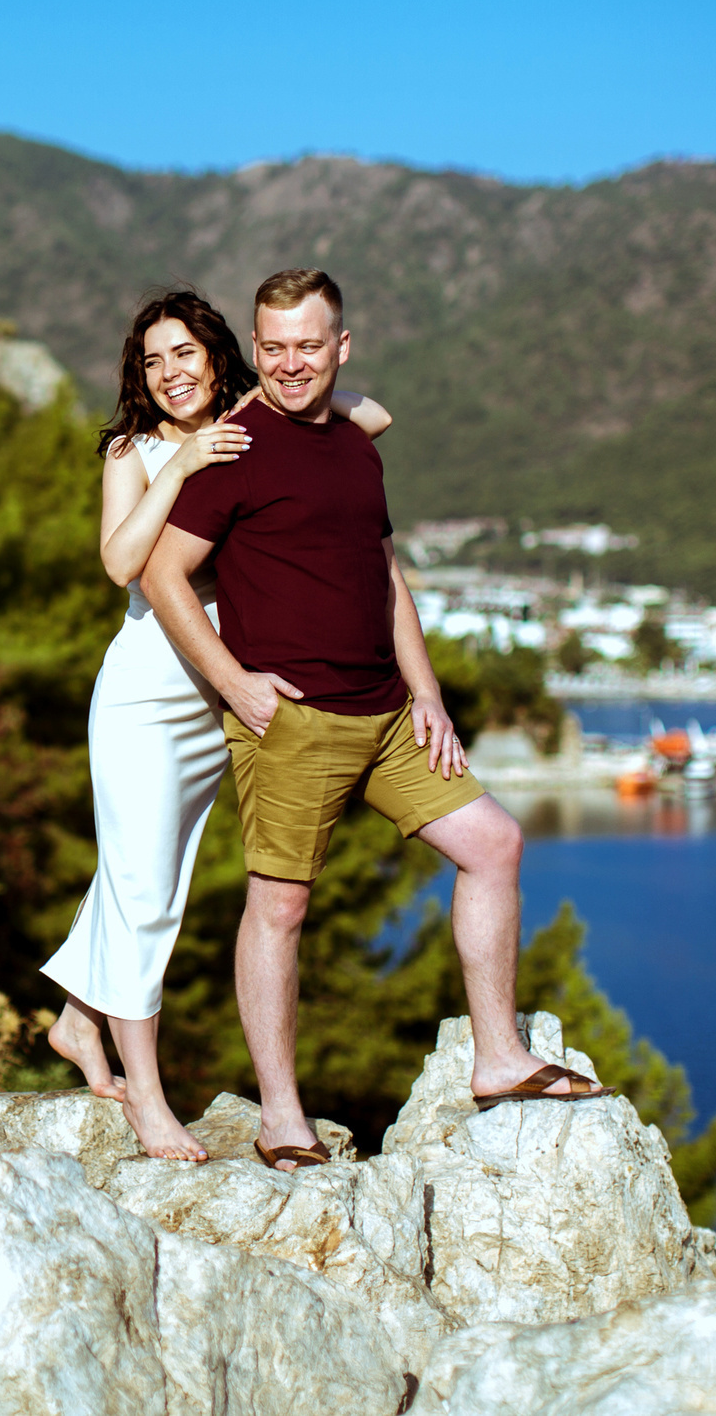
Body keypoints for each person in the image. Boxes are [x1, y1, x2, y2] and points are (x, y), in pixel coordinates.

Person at [141, 268, 610, 1172]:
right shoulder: (237, 445)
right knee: (280, 907)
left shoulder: (357, 445)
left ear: (340, 347)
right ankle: (282, 1116)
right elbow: (163, 576)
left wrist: (428, 691)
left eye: (308, 346)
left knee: (496, 844)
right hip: (294, 723)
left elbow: (388, 577)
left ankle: (499, 1058)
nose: (289, 364)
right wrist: (235, 683)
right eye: (271, 347)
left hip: (389, 715)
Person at [43, 289, 392, 1161]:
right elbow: (122, 562)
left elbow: (373, 415)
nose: (169, 374)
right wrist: (184, 466)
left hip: (225, 684)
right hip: (148, 690)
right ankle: (149, 1102)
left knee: (142, 868)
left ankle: (78, 1021)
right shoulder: (135, 449)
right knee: (145, 887)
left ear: (218, 355)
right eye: (152, 361)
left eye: (185, 355)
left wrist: (284, 394)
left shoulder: (251, 419)